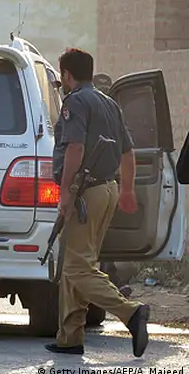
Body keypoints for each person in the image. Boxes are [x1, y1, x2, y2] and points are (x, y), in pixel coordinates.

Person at [46, 48, 149, 357]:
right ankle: (70, 337)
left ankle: (131, 313)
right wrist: (127, 190)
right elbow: (127, 152)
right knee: (78, 263)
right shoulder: (109, 103)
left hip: (84, 192)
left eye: (61, 76)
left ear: (67, 75)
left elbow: (75, 148)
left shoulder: (75, 102)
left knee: (76, 267)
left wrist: (66, 193)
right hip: (107, 189)